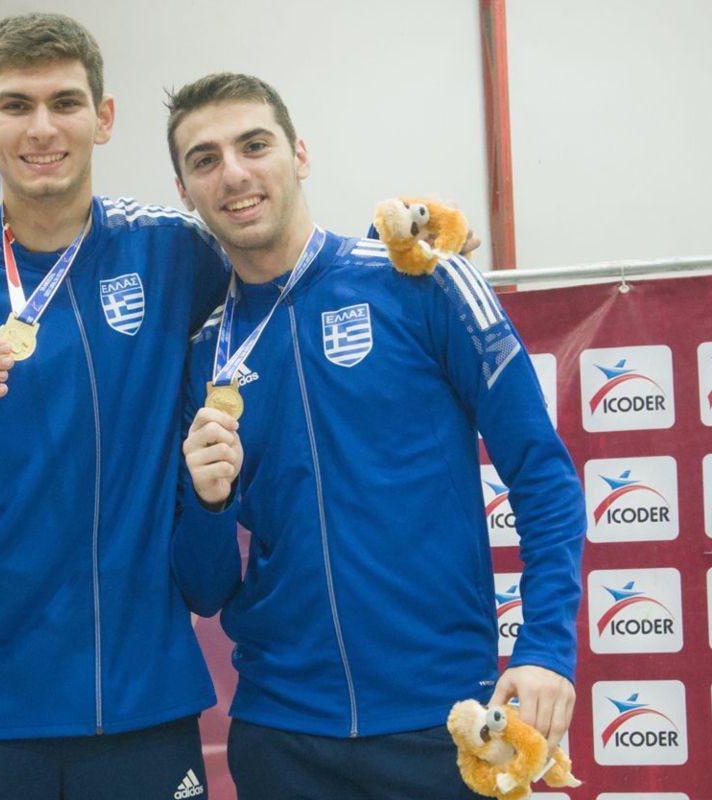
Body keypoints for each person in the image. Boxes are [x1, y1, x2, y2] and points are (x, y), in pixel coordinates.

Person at [167, 73, 585, 800]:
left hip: (443, 723)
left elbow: (542, 476)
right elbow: (204, 591)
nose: (233, 173)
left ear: (299, 153)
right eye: (205, 160)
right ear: (184, 191)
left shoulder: (421, 281)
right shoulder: (201, 349)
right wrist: (206, 504)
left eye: (254, 145)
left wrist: (547, 646)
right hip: (279, 733)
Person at [0, 13, 231, 799]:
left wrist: (397, 259)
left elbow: (284, 278)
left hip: (143, 698)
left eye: (65, 102)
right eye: (17, 105)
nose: (43, 128)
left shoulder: (174, 251)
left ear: (104, 117)